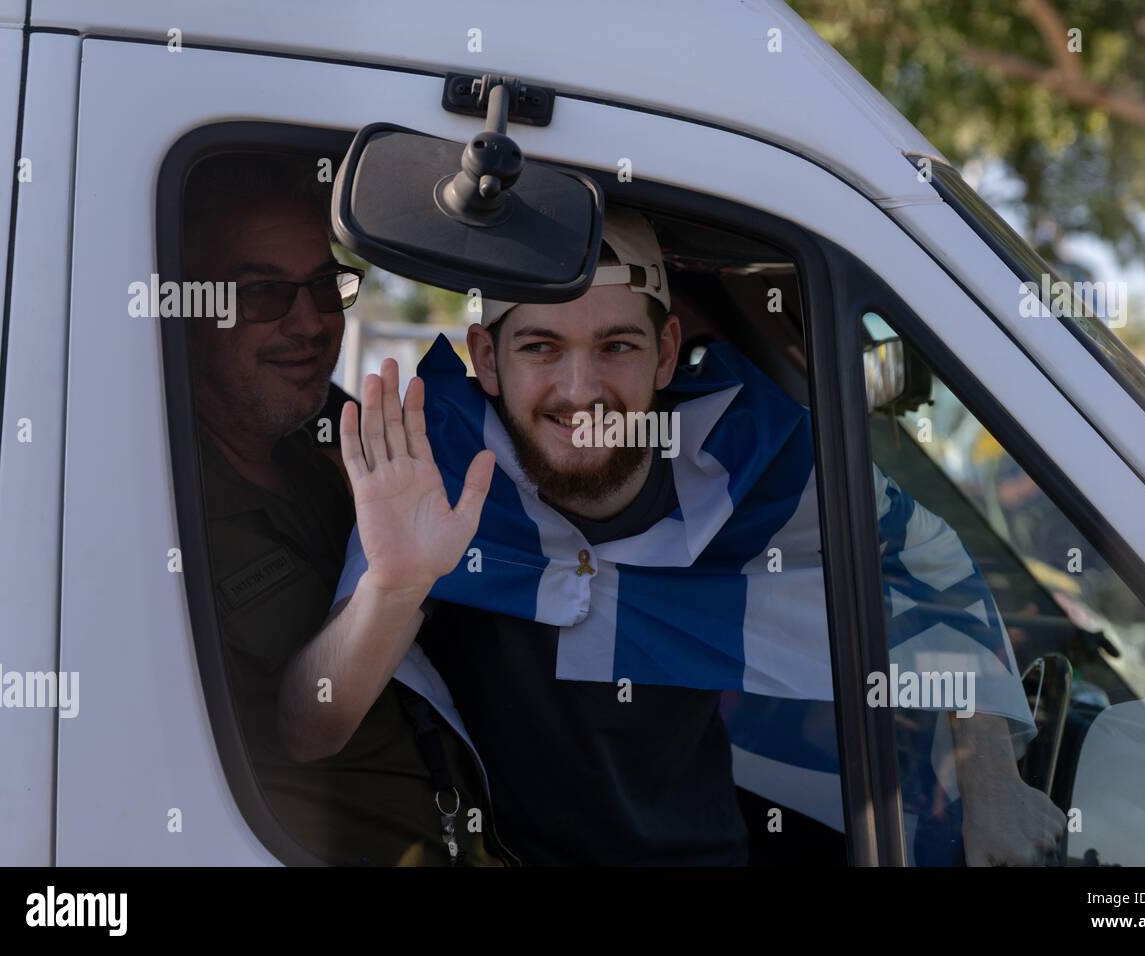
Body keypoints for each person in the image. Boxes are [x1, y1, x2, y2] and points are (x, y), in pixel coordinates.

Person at [284, 206, 1067, 866]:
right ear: (486, 358)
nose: (581, 388)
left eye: (617, 346)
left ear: (665, 355)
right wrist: (393, 586)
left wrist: (992, 784)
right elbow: (309, 727)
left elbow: (924, 564)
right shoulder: (438, 467)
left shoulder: (751, 456)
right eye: (541, 347)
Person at [184, 152, 509, 867]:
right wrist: (393, 589)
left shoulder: (324, 444)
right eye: (263, 292)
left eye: (326, 285)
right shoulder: (166, 497)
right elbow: (311, 727)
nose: (310, 323)